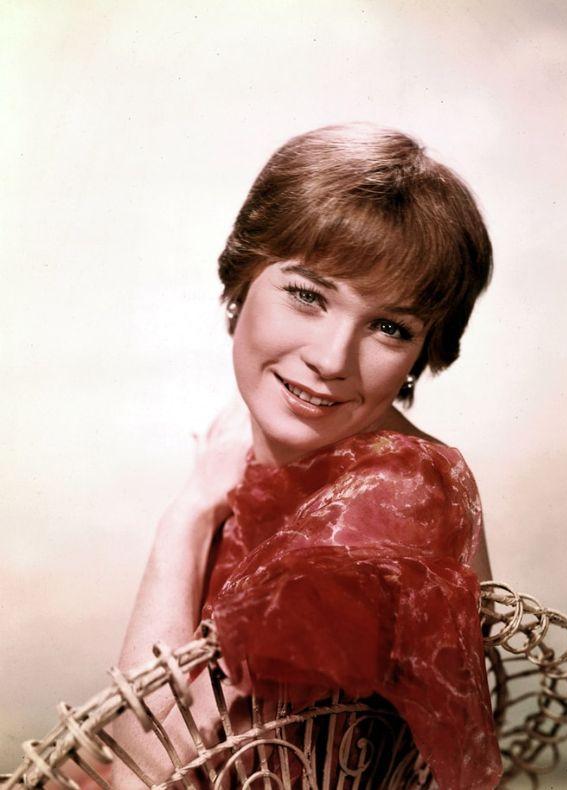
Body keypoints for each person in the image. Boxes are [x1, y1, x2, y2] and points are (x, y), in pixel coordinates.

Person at [112, 123, 502, 789]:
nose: (331, 358)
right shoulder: (279, 460)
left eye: (389, 327)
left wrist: (186, 517)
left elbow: (146, 775)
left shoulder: (394, 494)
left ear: (420, 354)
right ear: (241, 282)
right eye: (308, 296)